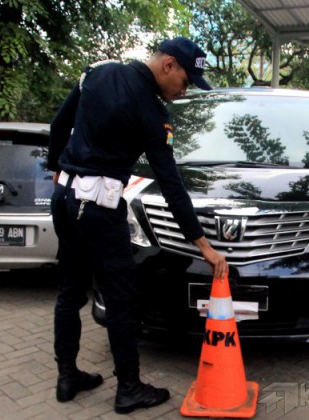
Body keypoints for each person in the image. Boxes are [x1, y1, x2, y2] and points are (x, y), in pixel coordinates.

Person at [47, 36, 229, 414]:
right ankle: (129, 389)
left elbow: (59, 124)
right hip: (99, 210)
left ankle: (67, 377)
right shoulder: (151, 111)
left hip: (64, 200)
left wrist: (55, 167)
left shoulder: (97, 73)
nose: (184, 90)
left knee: (70, 290)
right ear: (168, 65)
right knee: (121, 299)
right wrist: (204, 245)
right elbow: (172, 185)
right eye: (185, 81)